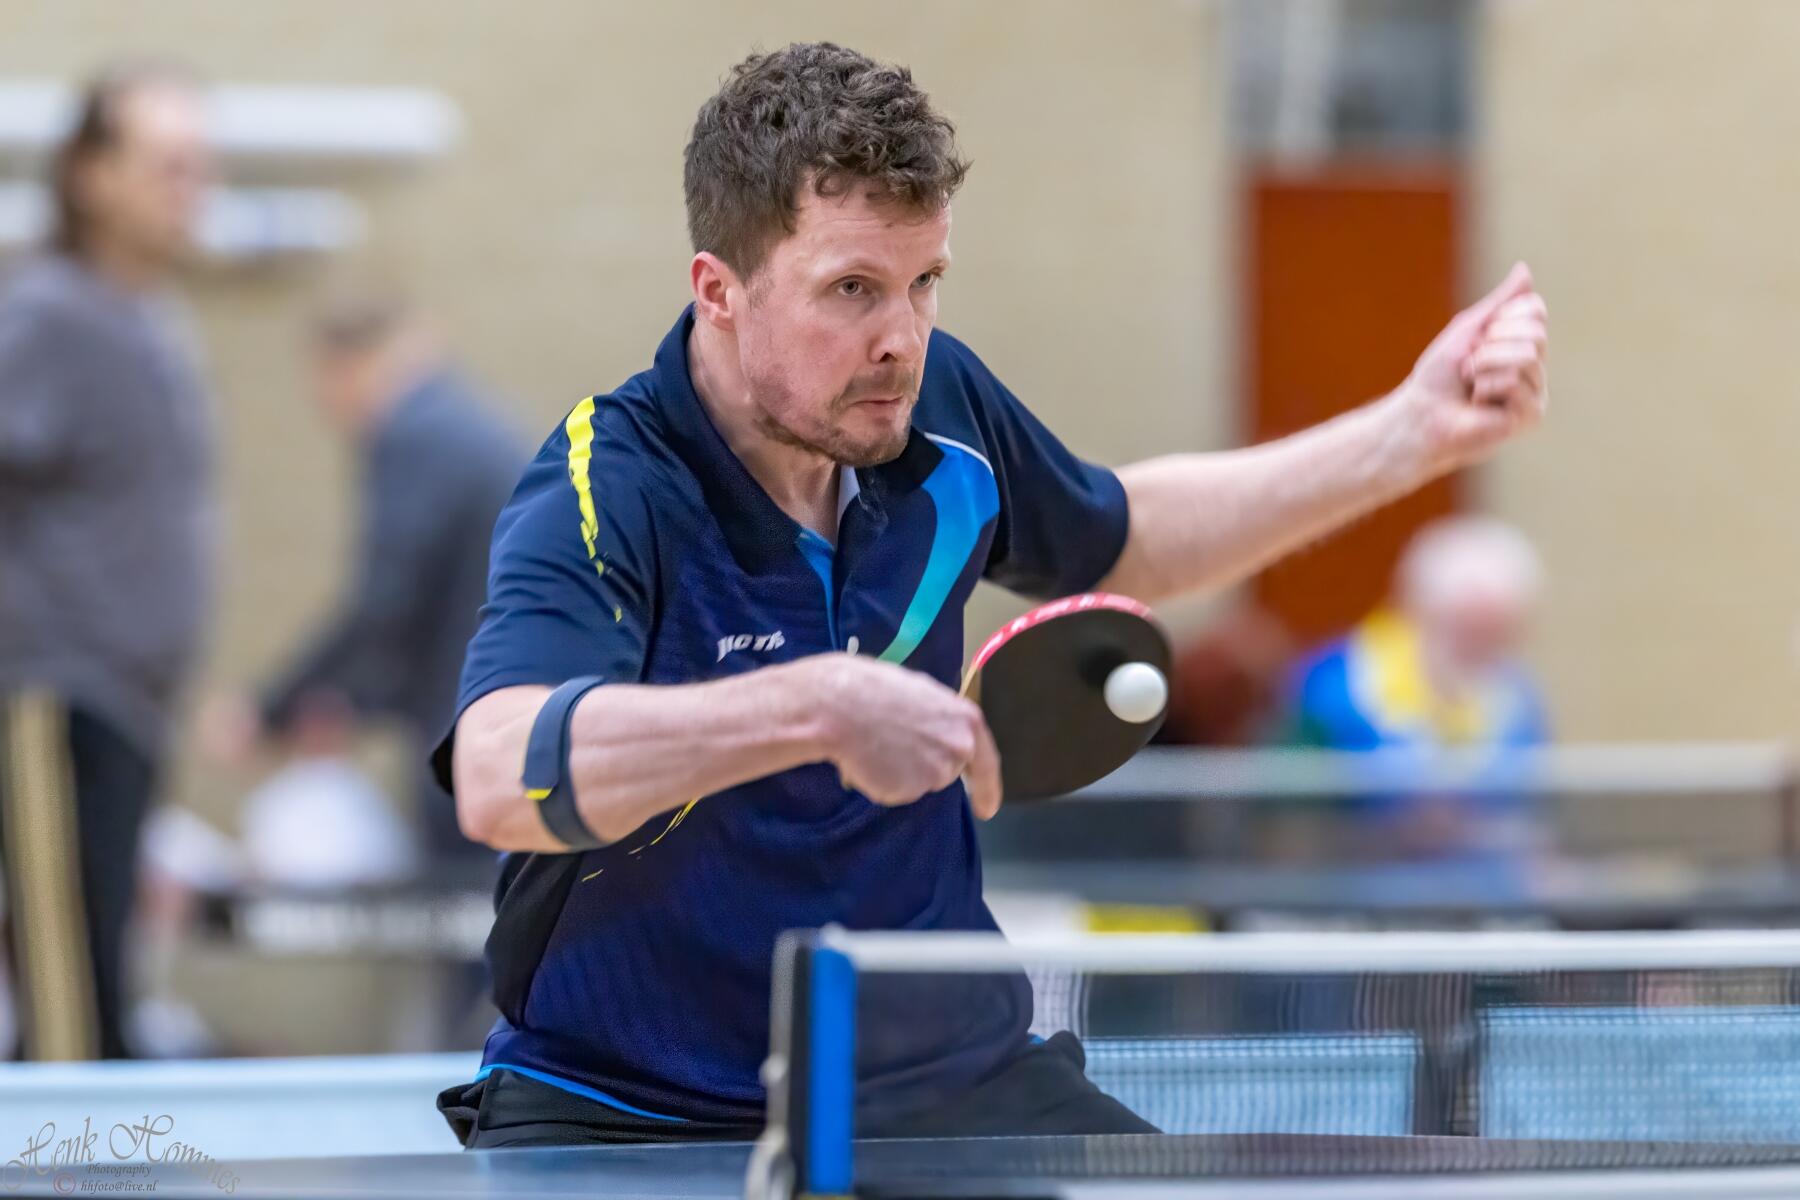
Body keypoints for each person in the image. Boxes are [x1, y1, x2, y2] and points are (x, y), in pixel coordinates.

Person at [432, 42, 1550, 1147]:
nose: (902, 339)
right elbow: (497, 771)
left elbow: (1128, 539)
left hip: (943, 1082)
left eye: (924, 283)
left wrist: (1410, 433)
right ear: (718, 291)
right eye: (852, 290)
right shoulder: (608, 482)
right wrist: (813, 707)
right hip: (632, 1103)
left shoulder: (937, 413)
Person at [0, 61, 216, 1061]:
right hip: (58, 700)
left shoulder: (148, 320)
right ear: (91, 175)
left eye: (199, 165)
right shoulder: (49, 314)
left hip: (129, 704)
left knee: (105, 1009)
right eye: (168, 165)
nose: (192, 187)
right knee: (70, 1019)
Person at [204, 290, 525, 873]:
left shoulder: (414, 433)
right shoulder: (462, 426)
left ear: (345, 366)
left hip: (478, 737)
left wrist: (269, 709)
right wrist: (348, 703)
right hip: (514, 726)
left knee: (469, 914)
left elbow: (384, 604)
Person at [1283, 515, 1550, 864]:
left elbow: (1532, 813)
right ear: (1418, 612)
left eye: (1498, 636)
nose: (1483, 652)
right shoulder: (1332, 689)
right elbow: (1288, 822)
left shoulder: (1518, 696)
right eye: (1469, 632)